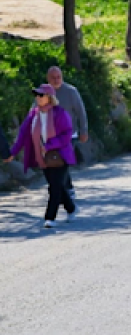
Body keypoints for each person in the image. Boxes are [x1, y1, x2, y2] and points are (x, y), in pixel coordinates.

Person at [5, 84, 77, 228]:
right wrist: (12, 153)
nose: (38, 97)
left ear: (49, 97)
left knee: (55, 187)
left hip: (60, 156)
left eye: (41, 95)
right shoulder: (33, 115)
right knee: (56, 186)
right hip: (43, 158)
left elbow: (67, 134)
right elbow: (22, 136)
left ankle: (50, 218)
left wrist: (49, 145)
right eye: (37, 95)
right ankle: (71, 208)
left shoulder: (60, 113)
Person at [45, 66, 88, 200]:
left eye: (59, 77)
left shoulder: (71, 91)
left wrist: (84, 131)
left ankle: (63, 190)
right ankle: (66, 188)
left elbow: (81, 113)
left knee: (62, 161)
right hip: (51, 136)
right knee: (56, 163)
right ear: (48, 79)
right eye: (53, 78)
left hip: (69, 135)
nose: (56, 80)